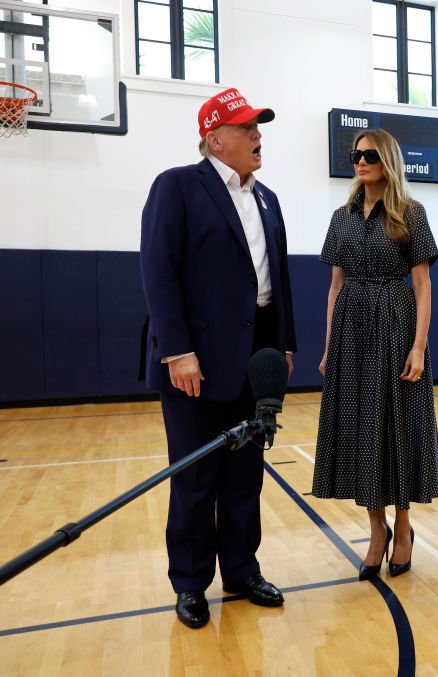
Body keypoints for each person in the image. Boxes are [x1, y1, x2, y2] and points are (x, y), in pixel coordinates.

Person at [140, 88, 297, 629]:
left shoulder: (268, 198)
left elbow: (278, 281)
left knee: (244, 475)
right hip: (195, 362)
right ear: (214, 138)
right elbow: (158, 272)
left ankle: (241, 570)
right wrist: (177, 351)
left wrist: (284, 347)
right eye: (247, 128)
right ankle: (189, 583)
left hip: (255, 360)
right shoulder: (178, 187)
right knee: (194, 478)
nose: (258, 137)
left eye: (259, 127)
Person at [312, 128, 438, 580]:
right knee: (360, 432)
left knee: (398, 428)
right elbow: (335, 286)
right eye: (355, 155)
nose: (360, 161)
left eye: (369, 155)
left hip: (396, 325)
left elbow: (423, 286)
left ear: (387, 160)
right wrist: (330, 346)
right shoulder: (341, 216)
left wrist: (419, 346)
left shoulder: (411, 212)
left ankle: (403, 527)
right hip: (352, 329)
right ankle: (376, 530)